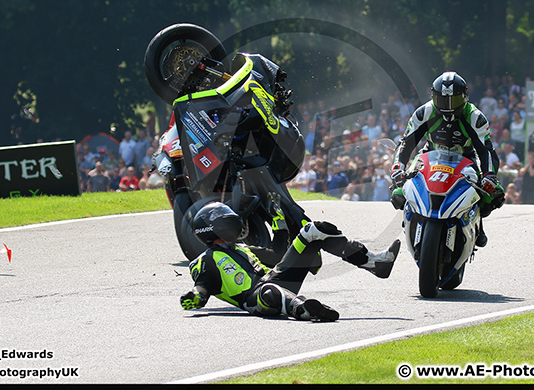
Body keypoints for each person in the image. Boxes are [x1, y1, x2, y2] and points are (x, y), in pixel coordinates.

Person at [180, 202, 401, 321]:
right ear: (209, 226)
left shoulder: (242, 249)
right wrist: (195, 296)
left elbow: (277, 255)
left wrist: (279, 226)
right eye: (221, 214)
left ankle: (375, 263)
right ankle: (302, 309)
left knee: (314, 230)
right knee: (270, 291)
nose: (229, 216)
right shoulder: (206, 260)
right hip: (254, 299)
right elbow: (203, 285)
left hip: (275, 277)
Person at [390, 72, 504, 248]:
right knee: (399, 191)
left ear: (465, 97)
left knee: (493, 194)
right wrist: (398, 166)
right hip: (429, 156)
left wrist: (489, 175)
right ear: (434, 98)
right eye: (443, 101)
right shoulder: (424, 113)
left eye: (454, 101)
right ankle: (411, 218)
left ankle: (478, 226)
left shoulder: (475, 117)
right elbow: (406, 142)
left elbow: (486, 150)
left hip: (465, 159)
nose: (449, 107)